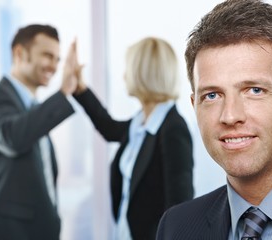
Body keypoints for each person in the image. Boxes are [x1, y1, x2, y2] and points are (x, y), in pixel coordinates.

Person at [156, 0, 272, 239]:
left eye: (254, 90)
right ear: (195, 106)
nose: (230, 116)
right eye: (212, 95)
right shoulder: (176, 227)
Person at [73, 37, 194, 240]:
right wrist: (80, 88)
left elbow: (179, 205)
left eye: (129, 68)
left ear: (143, 73)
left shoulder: (172, 128)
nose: (124, 76)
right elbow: (109, 127)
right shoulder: (140, 122)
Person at [0, 24, 79, 240]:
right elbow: (12, 138)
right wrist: (63, 93)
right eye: (47, 55)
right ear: (19, 53)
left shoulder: (34, 111)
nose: (53, 65)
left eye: (57, 59)